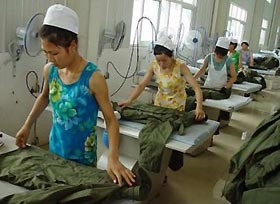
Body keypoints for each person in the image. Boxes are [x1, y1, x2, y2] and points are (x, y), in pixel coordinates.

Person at [15, 4, 135, 187]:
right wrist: (26, 126)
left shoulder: (93, 78)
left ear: (72, 45)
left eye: (54, 53)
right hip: (55, 150)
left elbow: (111, 120)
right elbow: (44, 96)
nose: (49, 59)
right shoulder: (50, 70)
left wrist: (113, 157)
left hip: (83, 159)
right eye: (45, 53)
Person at [119, 35, 205, 120]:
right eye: (158, 60)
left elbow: (196, 88)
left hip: (176, 108)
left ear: (171, 56)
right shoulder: (154, 65)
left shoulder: (180, 66)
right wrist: (129, 100)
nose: (161, 64)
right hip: (159, 105)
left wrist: (199, 107)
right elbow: (141, 85)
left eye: (164, 60)